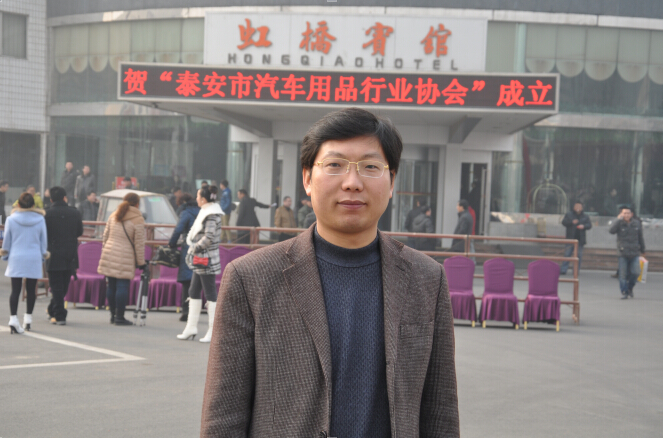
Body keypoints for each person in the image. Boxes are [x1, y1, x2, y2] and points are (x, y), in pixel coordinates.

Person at [201, 108, 459, 437]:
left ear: (392, 181)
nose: (352, 183)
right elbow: (224, 417)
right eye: (335, 165)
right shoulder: (250, 277)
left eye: (370, 167)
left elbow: (440, 413)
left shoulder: (427, 279)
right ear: (308, 179)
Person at [177, 186, 223, 342]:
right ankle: (191, 327)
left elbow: (208, 237)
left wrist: (194, 247)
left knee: (210, 293)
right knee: (193, 291)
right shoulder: (208, 211)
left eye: (198, 196)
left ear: (203, 199)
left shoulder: (211, 214)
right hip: (202, 258)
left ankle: (212, 330)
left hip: (205, 258)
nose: (196, 198)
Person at [1, 192, 48, 334]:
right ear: (33, 205)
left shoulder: (11, 219)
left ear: (18, 204)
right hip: (33, 256)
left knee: (15, 290)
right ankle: (28, 319)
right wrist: (42, 256)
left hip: (16, 256)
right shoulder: (40, 219)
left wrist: (5, 255)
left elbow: (7, 241)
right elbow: (43, 241)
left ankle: (13, 319)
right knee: (31, 290)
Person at [97, 192, 146, 325]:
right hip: (125, 254)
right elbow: (139, 243)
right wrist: (141, 262)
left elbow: (105, 236)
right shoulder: (138, 219)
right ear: (137, 204)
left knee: (111, 285)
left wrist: (105, 250)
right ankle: (120, 317)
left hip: (109, 252)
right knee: (122, 285)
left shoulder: (114, 215)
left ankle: (113, 315)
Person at [45, 187, 83, 325]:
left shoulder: (46, 214)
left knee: (56, 286)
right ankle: (56, 311)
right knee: (64, 284)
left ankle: (58, 314)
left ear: (51, 199)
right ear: (65, 198)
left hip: (53, 253)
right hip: (70, 253)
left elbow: (43, 234)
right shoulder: (75, 212)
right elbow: (79, 232)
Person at [168, 193, 200, 322]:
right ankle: (195, 312)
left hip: (188, 248)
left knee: (187, 282)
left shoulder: (186, 212)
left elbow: (178, 229)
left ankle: (186, 311)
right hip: (202, 248)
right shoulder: (202, 211)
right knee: (198, 281)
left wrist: (172, 243)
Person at [609, 206, 646, 299]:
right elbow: (611, 231)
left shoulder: (636, 223)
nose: (626, 215)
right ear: (621, 214)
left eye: (628, 213)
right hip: (623, 252)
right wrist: (618, 220)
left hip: (634, 252)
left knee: (636, 272)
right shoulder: (619, 223)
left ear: (631, 214)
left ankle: (630, 288)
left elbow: (640, 237)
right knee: (622, 275)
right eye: (624, 213)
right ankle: (624, 291)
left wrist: (643, 249)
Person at [560, 201, 592, 275]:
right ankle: (563, 269)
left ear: (582, 208)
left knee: (578, 256)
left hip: (580, 239)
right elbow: (564, 222)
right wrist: (571, 222)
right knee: (567, 254)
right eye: (576, 206)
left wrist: (583, 226)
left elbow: (589, 225)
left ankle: (576, 270)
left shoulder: (585, 216)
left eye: (579, 206)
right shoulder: (569, 214)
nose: (577, 208)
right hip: (570, 238)